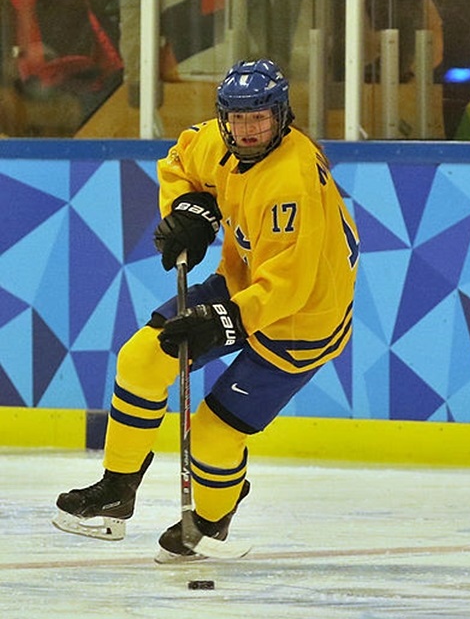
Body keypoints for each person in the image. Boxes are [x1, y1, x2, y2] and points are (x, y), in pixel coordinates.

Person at [53, 58, 360, 562]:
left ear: (282, 116)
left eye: (259, 117)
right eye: (238, 118)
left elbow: (290, 286)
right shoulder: (218, 140)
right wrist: (188, 209)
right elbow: (179, 161)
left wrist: (225, 322)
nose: (248, 129)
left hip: (303, 320)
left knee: (213, 439)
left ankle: (211, 521)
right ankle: (116, 490)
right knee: (141, 359)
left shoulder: (291, 182)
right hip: (244, 281)